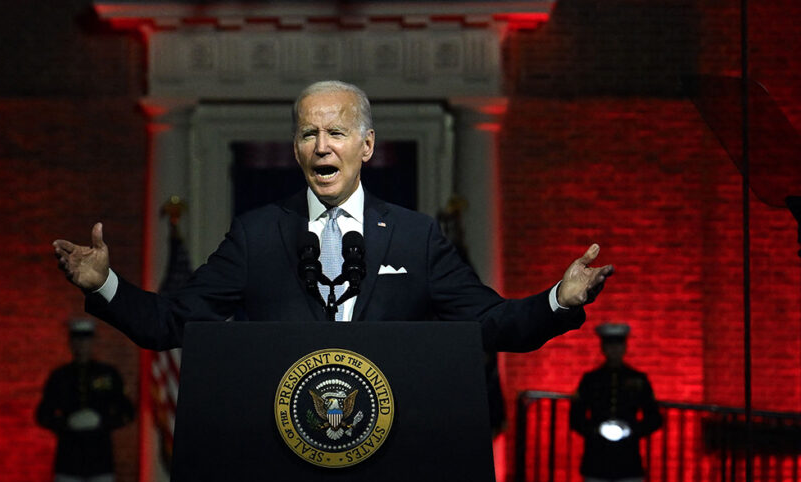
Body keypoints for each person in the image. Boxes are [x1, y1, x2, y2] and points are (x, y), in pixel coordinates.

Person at [52, 80, 614, 353]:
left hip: (389, 457)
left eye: (337, 133)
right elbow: (170, 322)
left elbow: (491, 324)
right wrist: (106, 285)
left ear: (365, 146)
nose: (322, 147)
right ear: (295, 147)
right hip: (283, 459)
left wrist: (557, 301)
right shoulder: (256, 234)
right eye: (309, 134)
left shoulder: (416, 238)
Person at [35, 319, 135, 482]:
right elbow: (42, 414)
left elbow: (126, 411)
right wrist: (65, 424)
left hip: (100, 460)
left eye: (86, 340)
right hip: (68, 461)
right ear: (71, 343)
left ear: (92, 343)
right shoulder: (60, 377)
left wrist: (102, 421)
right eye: (77, 340)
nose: (81, 346)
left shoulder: (107, 375)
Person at [569, 322, 662, 482]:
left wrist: (631, 430)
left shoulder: (638, 379)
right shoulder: (591, 380)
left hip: (627, 460)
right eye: (609, 345)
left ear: (624, 347)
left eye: (618, 345)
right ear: (603, 348)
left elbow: (654, 418)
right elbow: (576, 418)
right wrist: (596, 430)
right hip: (597, 459)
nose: (614, 350)